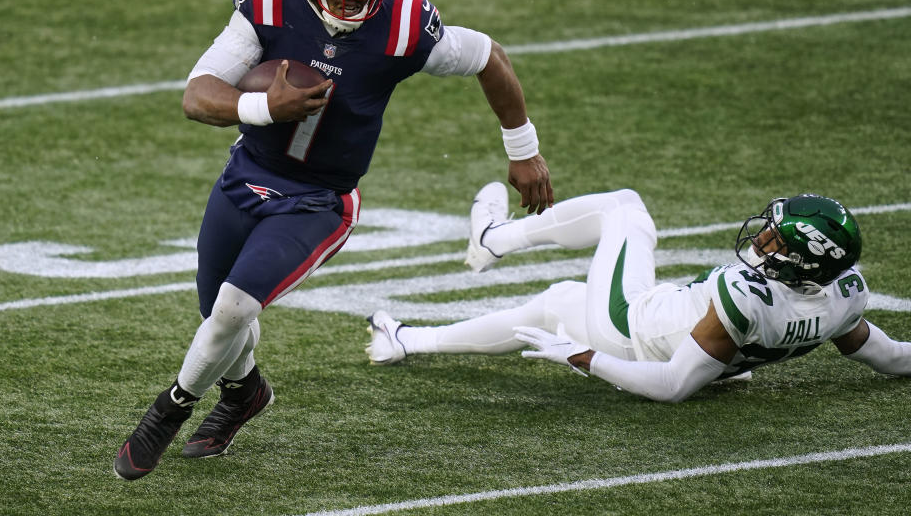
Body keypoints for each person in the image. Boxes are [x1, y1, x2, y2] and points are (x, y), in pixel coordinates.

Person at [114, 0, 553, 481]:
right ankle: (245, 394)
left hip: (321, 200)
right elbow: (198, 96)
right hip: (246, 176)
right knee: (215, 320)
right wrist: (266, 107)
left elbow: (488, 57)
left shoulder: (402, 25)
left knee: (232, 309)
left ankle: (168, 411)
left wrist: (523, 150)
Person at [366, 183, 911, 402]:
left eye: (776, 237)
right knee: (557, 301)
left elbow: (673, 386)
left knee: (623, 207)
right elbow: (889, 358)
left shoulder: (748, 297)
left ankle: (493, 239)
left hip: (638, 330)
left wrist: (584, 357)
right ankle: (407, 341)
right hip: (703, 351)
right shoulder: (841, 296)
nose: (763, 237)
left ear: (801, 259)